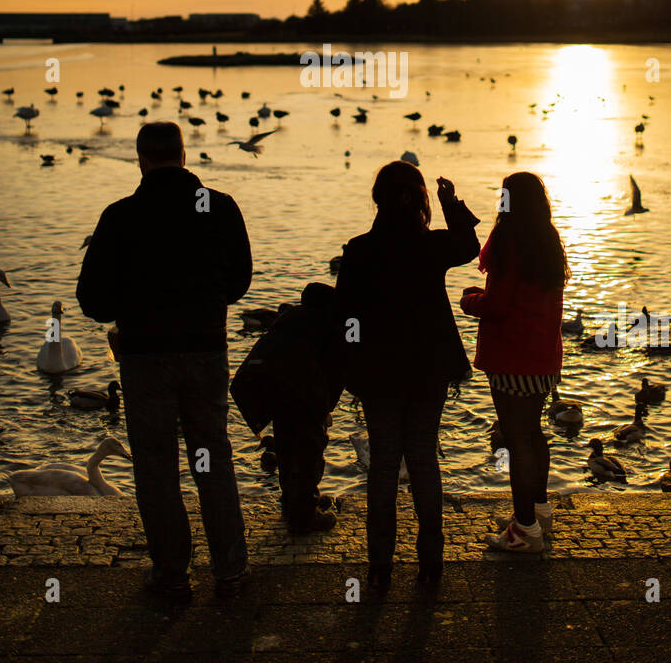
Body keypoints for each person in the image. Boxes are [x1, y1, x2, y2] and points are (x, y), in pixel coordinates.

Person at [77, 121, 252, 601]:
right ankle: (229, 568)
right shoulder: (218, 206)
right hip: (205, 350)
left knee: (155, 465)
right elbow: (239, 283)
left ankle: (172, 571)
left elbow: (91, 300)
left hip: (144, 355)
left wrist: (132, 305)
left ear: (141, 159)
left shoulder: (121, 215)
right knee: (213, 458)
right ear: (182, 153)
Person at [336, 162, 480, 591]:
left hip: (378, 373)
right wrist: (450, 203)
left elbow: (345, 317)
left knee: (382, 464)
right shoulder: (430, 246)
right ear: (418, 200)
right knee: (422, 459)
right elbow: (469, 246)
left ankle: (379, 566)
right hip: (427, 370)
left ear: (378, 199)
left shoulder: (359, 250)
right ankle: (430, 562)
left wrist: (351, 366)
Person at [460, 171, 568, 554]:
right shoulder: (548, 239)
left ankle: (524, 531)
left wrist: (470, 301)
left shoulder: (509, 241)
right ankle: (539, 512)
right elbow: (526, 297)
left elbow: (501, 305)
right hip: (542, 356)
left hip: (512, 358)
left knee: (515, 439)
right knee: (534, 436)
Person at [231, 282, 343, 534]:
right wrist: (326, 408)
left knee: (286, 451)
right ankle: (304, 516)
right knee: (309, 455)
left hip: (279, 399)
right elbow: (335, 372)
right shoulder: (326, 326)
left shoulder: (286, 322)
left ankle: (290, 501)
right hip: (306, 400)